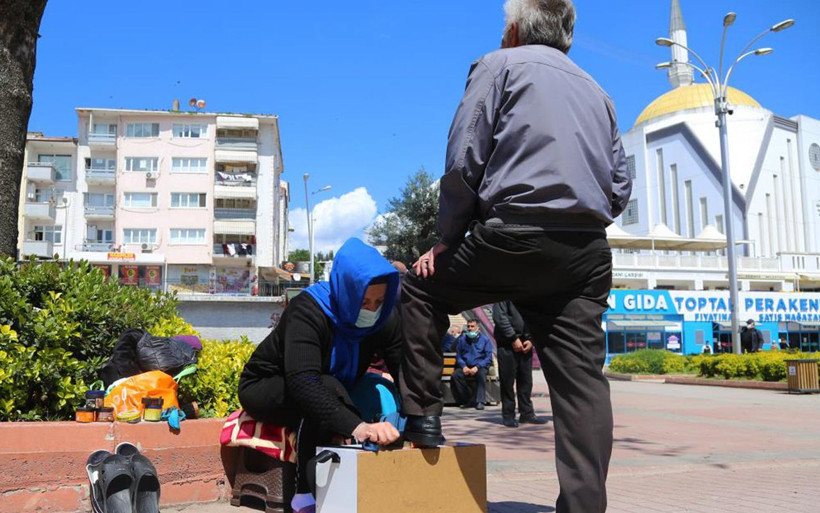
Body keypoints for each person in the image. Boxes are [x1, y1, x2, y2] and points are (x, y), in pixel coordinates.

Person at [397, 1, 632, 511]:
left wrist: (447, 236)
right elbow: (620, 184)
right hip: (583, 250)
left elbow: (464, 157)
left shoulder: (497, 66)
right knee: (582, 383)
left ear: (516, 29)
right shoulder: (599, 90)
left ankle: (424, 419)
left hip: (511, 234)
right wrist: (579, 217)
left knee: (417, 287)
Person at [238, 238, 402, 513]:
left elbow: (405, 368)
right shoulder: (309, 310)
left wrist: (420, 423)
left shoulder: (382, 319)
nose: (371, 310)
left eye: (379, 301)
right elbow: (304, 381)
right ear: (348, 291)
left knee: (372, 388)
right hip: (269, 385)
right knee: (324, 388)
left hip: (331, 384)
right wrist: (357, 427)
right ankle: (304, 493)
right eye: (364, 301)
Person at [493, 301, 548, 427]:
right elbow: (500, 317)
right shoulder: (503, 295)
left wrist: (531, 339)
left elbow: (534, 317)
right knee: (507, 382)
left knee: (526, 382)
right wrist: (513, 338)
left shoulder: (528, 295)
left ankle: (527, 414)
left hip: (525, 344)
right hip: (507, 345)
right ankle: (508, 415)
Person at [450, 319, 494, 409]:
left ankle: (480, 401)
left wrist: (477, 367)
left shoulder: (485, 340)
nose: (470, 328)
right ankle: (469, 400)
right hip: (466, 366)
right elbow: (458, 356)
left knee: (481, 375)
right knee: (456, 375)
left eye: (472, 326)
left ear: (478, 328)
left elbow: (488, 357)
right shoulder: (462, 340)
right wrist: (463, 366)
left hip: (480, 366)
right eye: (468, 326)